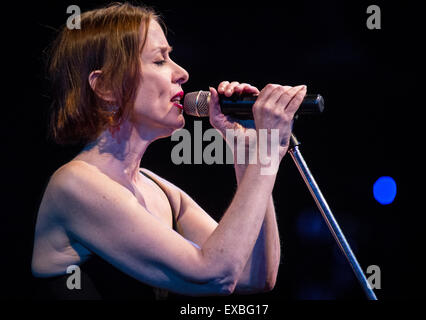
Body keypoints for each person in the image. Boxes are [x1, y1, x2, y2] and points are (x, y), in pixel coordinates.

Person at [31, 2, 307, 300]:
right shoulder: (74, 185)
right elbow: (216, 274)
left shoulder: (160, 191)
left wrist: (247, 154)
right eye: (160, 61)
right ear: (107, 86)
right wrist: (267, 154)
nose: (183, 73)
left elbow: (253, 276)